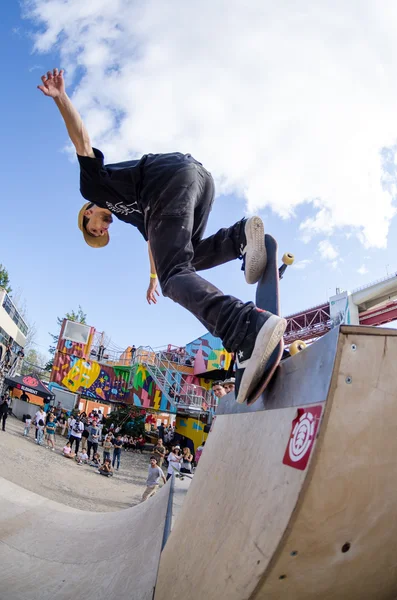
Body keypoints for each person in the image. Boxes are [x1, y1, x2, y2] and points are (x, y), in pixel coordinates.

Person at [37, 68, 287, 405]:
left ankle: (244, 327)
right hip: (198, 180)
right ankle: (239, 237)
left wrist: (61, 98)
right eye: (101, 233)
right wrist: (153, 278)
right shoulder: (132, 215)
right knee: (188, 258)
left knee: (176, 278)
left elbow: (81, 139)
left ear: (87, 213)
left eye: (95, 227)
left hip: (166, 182)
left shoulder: (93, 186)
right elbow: (154, 243)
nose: (103, 229)